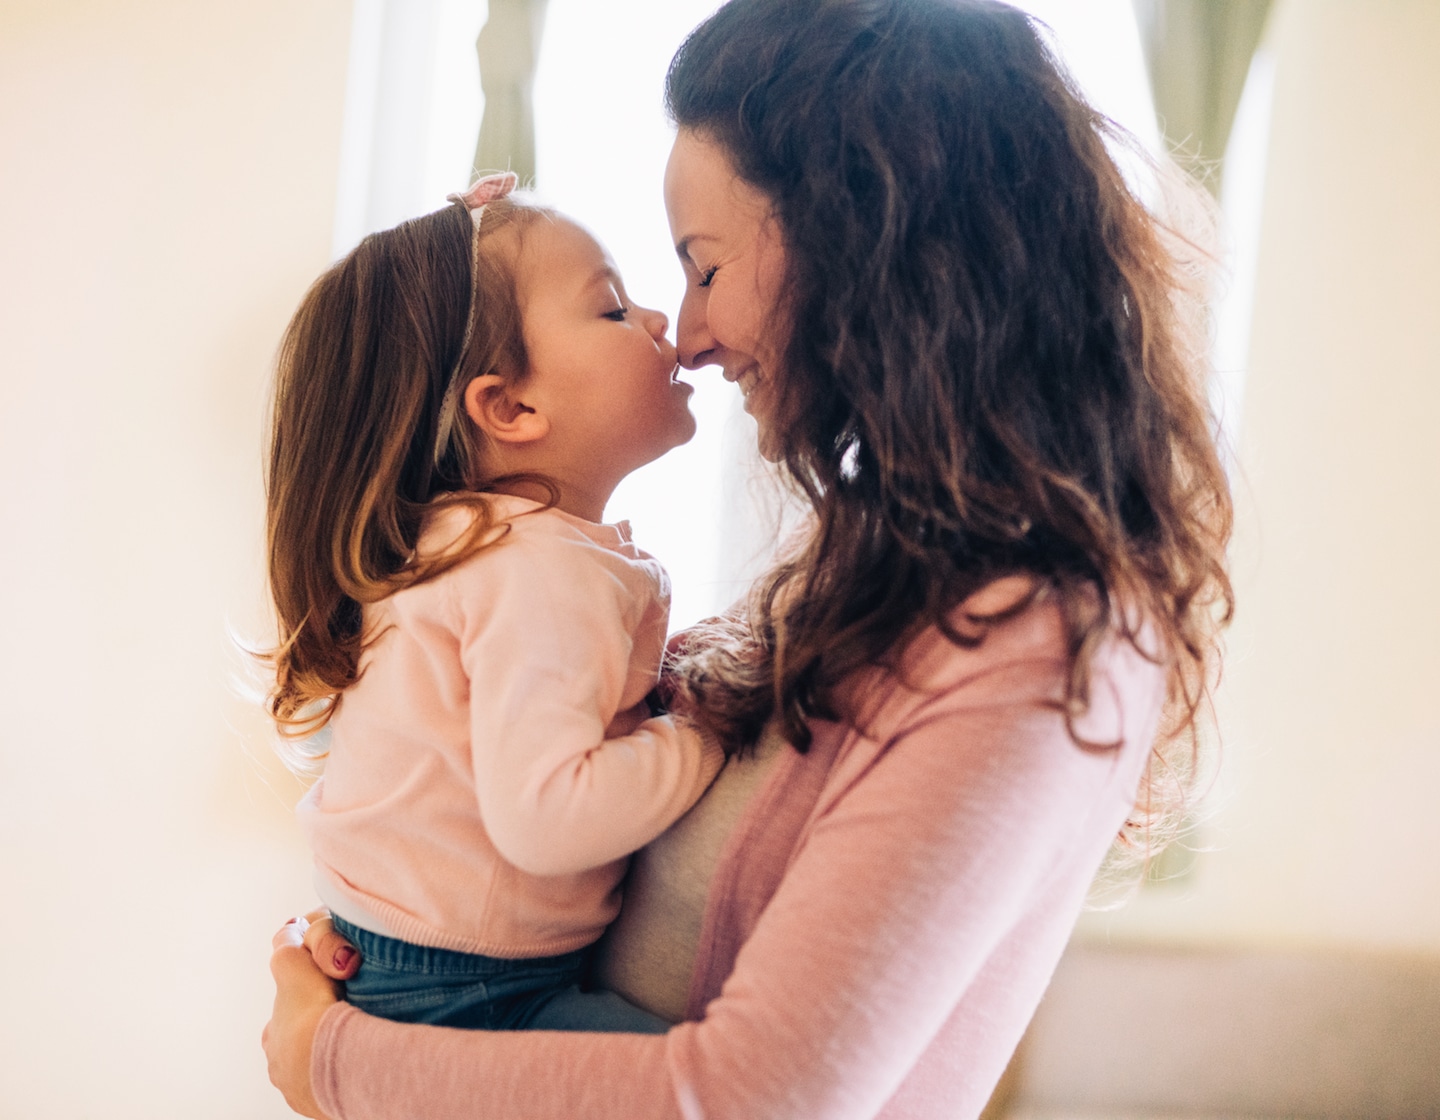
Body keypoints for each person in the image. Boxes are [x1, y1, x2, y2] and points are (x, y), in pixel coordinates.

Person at [263, 0, 1234, 1116]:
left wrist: (327, 1055)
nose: (686, 332)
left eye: (703, 266)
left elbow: (748, 1098)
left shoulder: (1030, 645)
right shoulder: (873, 565)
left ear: (864, 245)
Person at [261, 171, 724, 1037]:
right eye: (614, 311)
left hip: (413, 959)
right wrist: (709, 730)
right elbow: (551, 818)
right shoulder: (533, 568)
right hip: (469, 992)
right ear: (509, 406)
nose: (662, 322)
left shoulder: (479, 546)